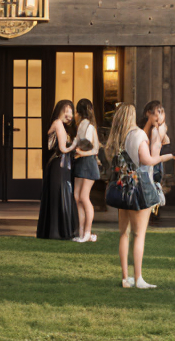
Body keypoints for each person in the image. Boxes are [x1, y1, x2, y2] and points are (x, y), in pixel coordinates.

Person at [104, 102, 175, 289]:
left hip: (123, 188)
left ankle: (125, 278)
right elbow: (147, 160)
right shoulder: (138, 135)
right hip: (139, 188)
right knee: (139, 235)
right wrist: (168, 157)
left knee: (123, 234)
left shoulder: (120, 138)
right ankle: (138, 278)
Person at [35, 100, 76, 240]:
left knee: (60, 194)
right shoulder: (58, 123)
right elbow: (63, 148)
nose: (69, 115)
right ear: (60, 111)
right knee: (58, 195)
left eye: (71, 111)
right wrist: (76, 145)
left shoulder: (62, 126)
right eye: (66, 111)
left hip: (60, 164)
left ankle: (56, 230)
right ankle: (56, 231)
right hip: (57, 164)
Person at [70, 98, 101, 244]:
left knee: (83, 197)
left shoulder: (89, 127)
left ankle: (88, 233)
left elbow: (95, 150)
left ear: (79, 112)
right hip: (81, 162)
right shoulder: (82, 125)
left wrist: (81, 153)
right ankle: (81, 232)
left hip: (88, 163)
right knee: (77, 196)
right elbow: (76, 142)